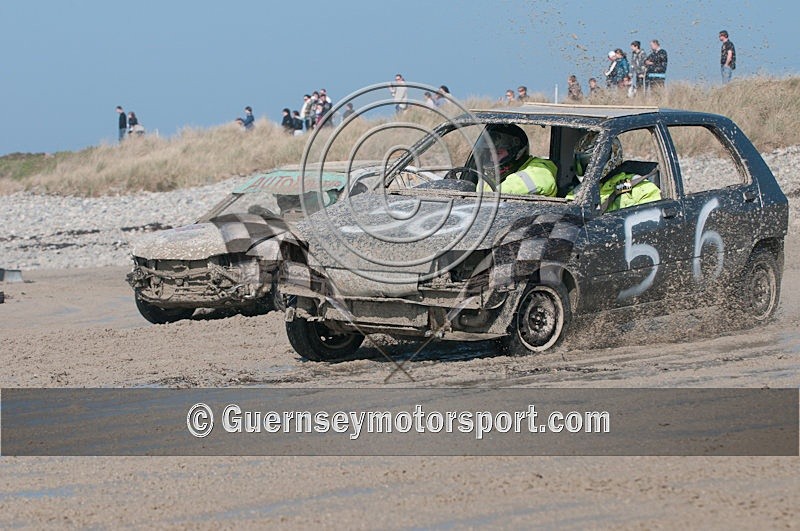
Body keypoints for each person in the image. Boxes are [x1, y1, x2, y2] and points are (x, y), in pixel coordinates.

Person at [570, 132, 661, 212]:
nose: (587, 170)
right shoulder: (580, 191)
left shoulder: (640, 188)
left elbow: (652, 220)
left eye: (589, 164)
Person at [476, 124, 557, 197]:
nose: (492, 159)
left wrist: (493, 194)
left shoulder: (539, 168)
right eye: (489, 153)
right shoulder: (489, 176)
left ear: (517, 153)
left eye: (497, 153)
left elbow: (539, 183)